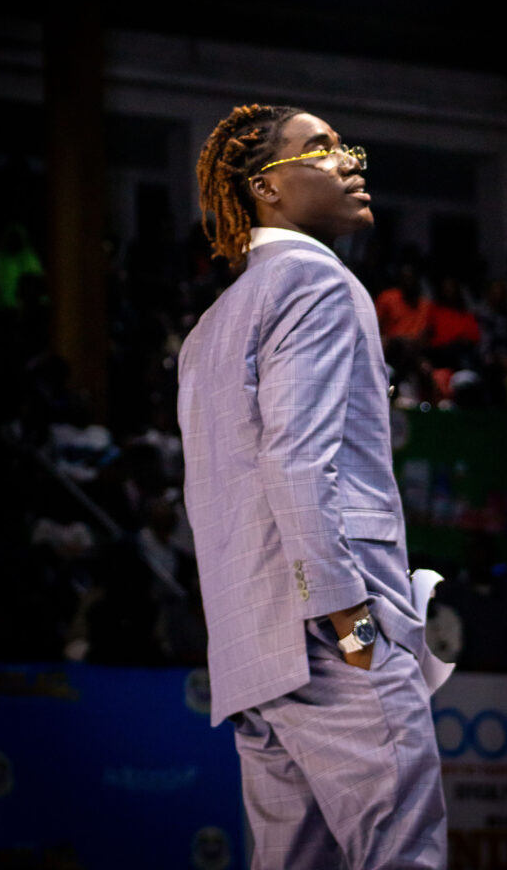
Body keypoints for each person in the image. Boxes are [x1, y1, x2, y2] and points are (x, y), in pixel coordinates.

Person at [177, 104, 447, 870]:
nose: (348, 160)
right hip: (331, 641)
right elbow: (297, 463)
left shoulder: (209, 327)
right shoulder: (317, 283)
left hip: (253, 655)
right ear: (266, 188)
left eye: (345, 146)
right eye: (320, 149)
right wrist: (354, 633)